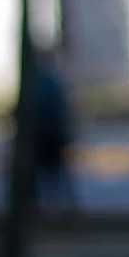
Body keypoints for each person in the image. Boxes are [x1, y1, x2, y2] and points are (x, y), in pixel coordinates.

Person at [33, 49, 78, 212]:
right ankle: (64, 206)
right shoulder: (54, 81)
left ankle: (54, 206)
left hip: (46, 136)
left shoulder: (41, 82)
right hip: (53, 135)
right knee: (57, 173)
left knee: (48, 174)